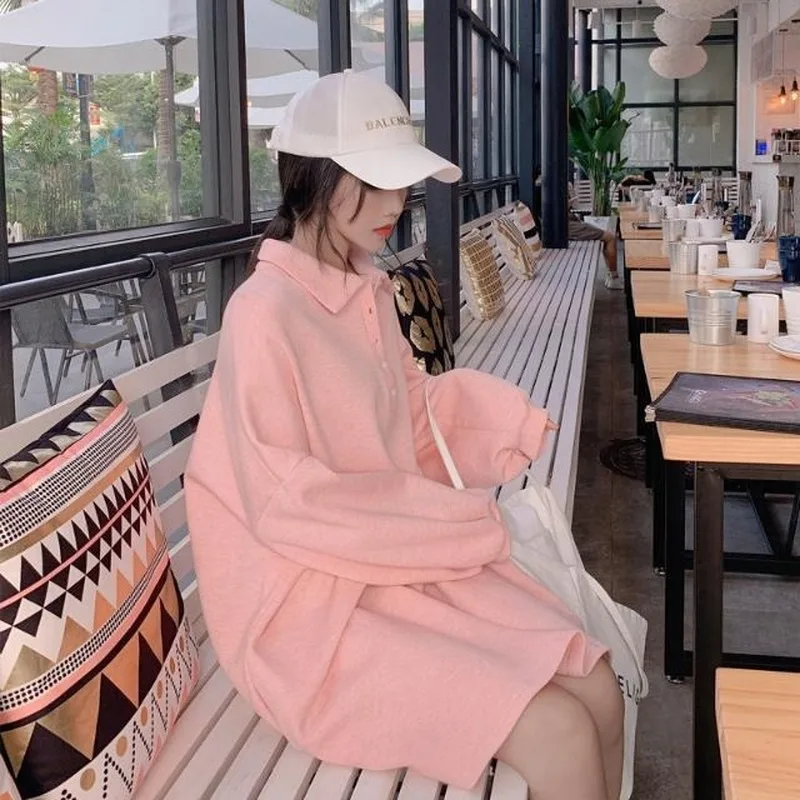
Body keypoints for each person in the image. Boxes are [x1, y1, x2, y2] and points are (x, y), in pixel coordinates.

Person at [185, 70, 623, 800]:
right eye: (376, 182)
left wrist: (503, 420)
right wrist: (450, 527)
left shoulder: (363, 286)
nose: (397, 203)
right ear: (315, 178)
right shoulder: (265, 312)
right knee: (560, 730)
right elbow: (289, 503)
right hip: (308, 612)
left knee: (598, 682)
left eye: (401, 182)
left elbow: (410, 413)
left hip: (388, 564)